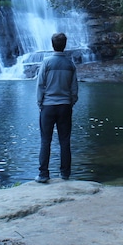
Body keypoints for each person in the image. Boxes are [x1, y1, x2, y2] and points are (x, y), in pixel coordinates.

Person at [35, 32, 78, 183]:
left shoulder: (46, 63)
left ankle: (43, 174)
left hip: (48, 106)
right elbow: (74, 89)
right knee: (65, 141)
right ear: (64, 45)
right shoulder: (70, 64)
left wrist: (40, 103)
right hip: (65, 106)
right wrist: (70, 102)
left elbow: (40, 85)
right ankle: (65, 173)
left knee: (45, 140)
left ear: (52, 45)